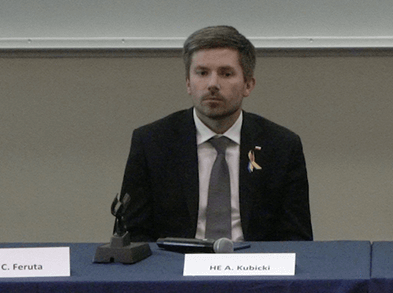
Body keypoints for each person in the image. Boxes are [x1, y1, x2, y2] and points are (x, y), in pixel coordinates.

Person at [118, 25, 312, 242]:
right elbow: (133, 236)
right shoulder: (152, 143)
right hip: (176, 268)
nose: (212, 84)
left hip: (254, 270)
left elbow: (297, 239)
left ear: (248, 85)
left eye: (226, 73)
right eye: (202, 73)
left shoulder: (281, 146)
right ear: (188, 83)